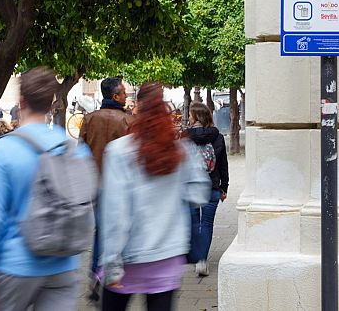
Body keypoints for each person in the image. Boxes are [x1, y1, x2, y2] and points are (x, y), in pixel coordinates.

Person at [0, 67, 93, 311]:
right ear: (52, 104)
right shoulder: (75, 151)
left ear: (21, 101)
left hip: (15, 267)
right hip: (64, 265)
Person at [99, 82, 210, 311]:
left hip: (129, 255)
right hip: (168, 254)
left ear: (137, 108)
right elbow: (199, 193)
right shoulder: (181, 150)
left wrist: (111, 260)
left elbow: (116, 211)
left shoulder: (119, 151)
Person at [79, 77, 132, 300]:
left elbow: (80, 153)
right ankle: (109, 273)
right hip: (119, 186)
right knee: (117, 230)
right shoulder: (129, 121)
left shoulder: (89, 120)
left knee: (101, 230)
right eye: (124, 93)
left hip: (95, 184)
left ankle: (96, 274)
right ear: (115, 96)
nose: (127, 96)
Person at [185, 101, 230, 277]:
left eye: (189, 114)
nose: (188, 118)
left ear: (195, 116)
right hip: (212, 185)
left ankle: (195, 255)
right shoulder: (217, 136)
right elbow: (223, 165)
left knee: (194, 222)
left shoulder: (185, 136)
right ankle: (202, 261)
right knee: (207, 223)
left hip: (190, 185)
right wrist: (224, 187)